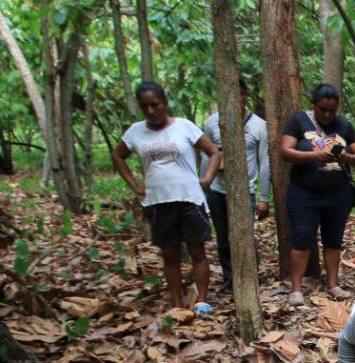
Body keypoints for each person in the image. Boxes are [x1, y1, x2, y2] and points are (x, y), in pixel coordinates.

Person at [112, 81, 221, 313]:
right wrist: (134, 185)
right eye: (145, 107)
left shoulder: (184, 126)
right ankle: (178, 304)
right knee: (170, 255)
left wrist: (207, 179)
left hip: (189, 199)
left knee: (197, 251)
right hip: (158, 202)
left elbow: (213, 152)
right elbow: (118, 155)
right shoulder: (135, 131)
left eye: (155, 105)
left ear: (165, 103)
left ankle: (202, 300)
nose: (151, 111)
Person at [280, 84, 355, 305]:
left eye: (331, 110)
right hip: (304, 192)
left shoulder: (345, 125)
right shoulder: (299, 121)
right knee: (302, 237)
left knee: (333, 240)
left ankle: (333, 284)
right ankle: (296, 288)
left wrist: (348, 157)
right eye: (322, 110)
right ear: (314, 105)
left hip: (338, 193)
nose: (327, 114)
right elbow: (285, 151)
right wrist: (316, 155)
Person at [201, 77, 272, 293]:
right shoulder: (212, 122)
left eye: (238, 95)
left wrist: (263, 197)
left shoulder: (259, 126)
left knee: (245, 237)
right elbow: (207, 157)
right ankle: (230, 280)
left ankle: (250, 279)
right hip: (217, 190)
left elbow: (265, 162)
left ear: (245, 96)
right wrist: (203, 188)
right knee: (223, 238)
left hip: (245, 191)